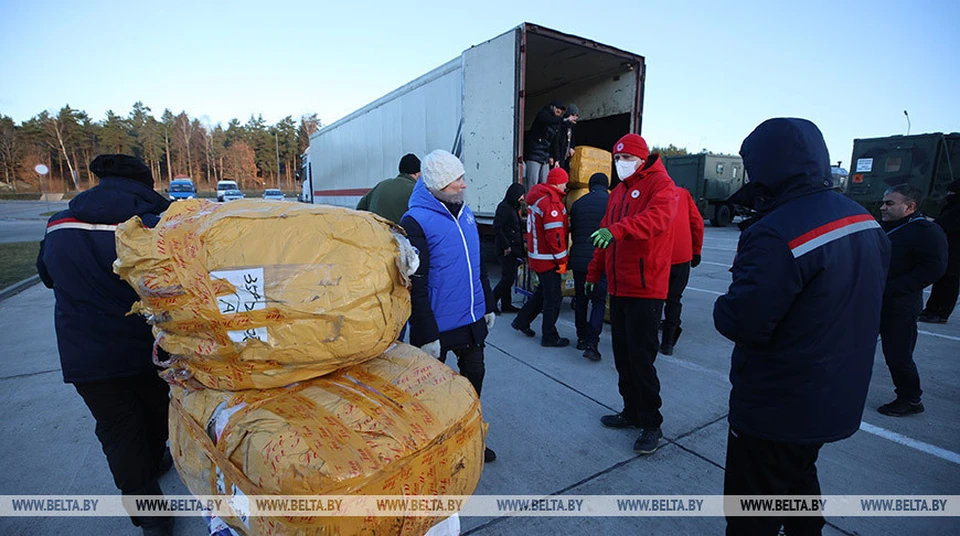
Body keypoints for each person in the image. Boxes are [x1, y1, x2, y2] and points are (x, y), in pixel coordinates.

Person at [714, 118, 890, 536]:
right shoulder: (865, 220)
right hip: (835, 392)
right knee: (797, 478)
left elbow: (744, 321)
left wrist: (724, 303)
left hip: (779, 403)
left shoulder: (776, 230)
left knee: (750, 511)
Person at [36, 154, 175, 536]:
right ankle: (152, 468)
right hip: (148, 347)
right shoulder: (155, 223)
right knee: (157, 414)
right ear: (145, 184)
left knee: (118, 432)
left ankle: (151, 518)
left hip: (86, 352)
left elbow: (46, 275)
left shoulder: (59, 222)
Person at [401, 149, 498, 463]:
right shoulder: (415, 220)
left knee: (475, 381)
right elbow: (416, 282)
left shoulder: (464, 212)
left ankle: (471, 438)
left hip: (470, 319)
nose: (463, 185)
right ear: (439, 184)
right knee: (434, 397)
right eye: (457, 180)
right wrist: (426, 333)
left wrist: (488, 304)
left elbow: (477, 264)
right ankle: (440, 450)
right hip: (439, 327)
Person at [586, 134, 678, 454]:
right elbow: (604, 233)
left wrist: (618, 230)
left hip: (645, 287)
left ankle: (651, 421)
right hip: (619, 285)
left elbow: (657, 220)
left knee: (641, 358)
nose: (620, 164)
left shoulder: (661, 186)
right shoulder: (618, 192)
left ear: (641, 159)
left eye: (625, 159)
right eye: (617, 158)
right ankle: (631, 411)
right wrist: (594, 271)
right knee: (623, 356)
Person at [876, 183, 948, 417]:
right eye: (883, 202)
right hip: (874, 301)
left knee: (898, 355)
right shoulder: (883, 227)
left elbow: (933, 268)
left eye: (889, 203)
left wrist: (894, 289)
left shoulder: (926, 231)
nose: (882, 207)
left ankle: (910, 398)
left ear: (910, 207)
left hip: (899, 306)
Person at [511, 167, 570, 347]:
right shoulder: (551, 203)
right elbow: (555, 236)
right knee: (553, 298)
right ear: (559, 181)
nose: (566, 186)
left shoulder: (538, 200)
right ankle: (549, 336)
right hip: (548, 259)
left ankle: (521, 321)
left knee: (542, 293)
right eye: (565, 182)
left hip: (538, 256)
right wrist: (562, 260)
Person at [569, 172, 609, 361]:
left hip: (578, 260)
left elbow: (574, 232)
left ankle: (581, 338)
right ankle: (592, 341)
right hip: (600, 260)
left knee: (581, 300)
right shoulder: (611, 203)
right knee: (598, 301)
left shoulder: (578, 204)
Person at [659, 186, 704, 355]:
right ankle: (668, 343)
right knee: (674, 299)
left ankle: (649, 338)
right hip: (681, 255)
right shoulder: (684, 194)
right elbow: (697, 223)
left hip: (658, 255)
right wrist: (696, 250)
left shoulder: (651, 192)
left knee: (654, 299)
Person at [919, 180, 960, 324]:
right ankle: (934, 309)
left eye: (952, 193)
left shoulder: (955, 209)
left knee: (948, 282)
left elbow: (945, 225)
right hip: (949, 250)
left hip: (954, 252)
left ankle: (939, 312)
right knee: (943, 281)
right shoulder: (952, 207)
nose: (949, 195)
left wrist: (930, 222)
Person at [356, 153, 421, 224]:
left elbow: (360, 208)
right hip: (398, 233)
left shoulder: (381, 185)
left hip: (376, 231)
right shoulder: (416, 190)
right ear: (416, 173)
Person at [492, 182, 527, 314]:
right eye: (520, 195)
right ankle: (492, 302)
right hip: (506, 250)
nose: (522, 198)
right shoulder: (504, 208)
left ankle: (506, 305)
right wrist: (506, 246)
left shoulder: (512, 207)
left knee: (508, 277)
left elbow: (516, 225)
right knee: (507, 279)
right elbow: (497, 228)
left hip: (512, 248)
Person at [523, 100, 569, 191]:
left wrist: (557, 160)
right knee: (532, 183)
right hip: (534, 154)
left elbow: (555, 143)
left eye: (561, 109)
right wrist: (564, 119)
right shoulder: (543, 115)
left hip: (545, 156)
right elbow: (547, 120)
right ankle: (529, 204)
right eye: (557, 108)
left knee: (545, 183)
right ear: (552, 107)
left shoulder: (556, 124)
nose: (559, 111)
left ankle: (541, 203)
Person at [551, 103, 579, 171]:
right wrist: (555, 158)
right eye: (572, 115)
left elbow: (572, 140)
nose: (575, 117)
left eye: (576, 116)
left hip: (565, 158)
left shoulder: (572, 127)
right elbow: (555, 142)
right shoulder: (561, 125)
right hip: (558, 157)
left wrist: (572, 147)